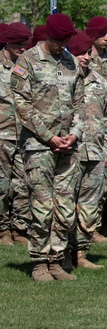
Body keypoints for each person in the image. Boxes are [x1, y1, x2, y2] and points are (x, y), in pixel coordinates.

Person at [10, 14, 84, 281]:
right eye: (61, 39)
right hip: (39, 147)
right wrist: (49, 137)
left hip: (68, 147)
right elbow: (22, 106)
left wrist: (73, 135)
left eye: (67, 39)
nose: (64, 44)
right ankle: (40, 263)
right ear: (48, 36)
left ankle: (56, 260)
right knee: (41, 207)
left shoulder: (70, 61)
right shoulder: (27, 61)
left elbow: (80, 104)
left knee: (65, 208)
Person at [67, 31, 107, 270]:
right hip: (70, 153)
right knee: (66, 205)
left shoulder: (100, 82)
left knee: (89, 206)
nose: (84, 57)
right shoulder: (63, 79)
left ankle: (82, 253)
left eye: (87, 53)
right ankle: (62, 253)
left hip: (95, 153)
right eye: (79, 53)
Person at [0, 22, 32, 246]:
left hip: (25, 133)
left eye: (25, 43)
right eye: (18, 43)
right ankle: (2, 230)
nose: (22, 47)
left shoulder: (29, 65)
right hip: (2, 132)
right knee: (1, 185)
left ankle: (19, 228)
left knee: (23, 183)